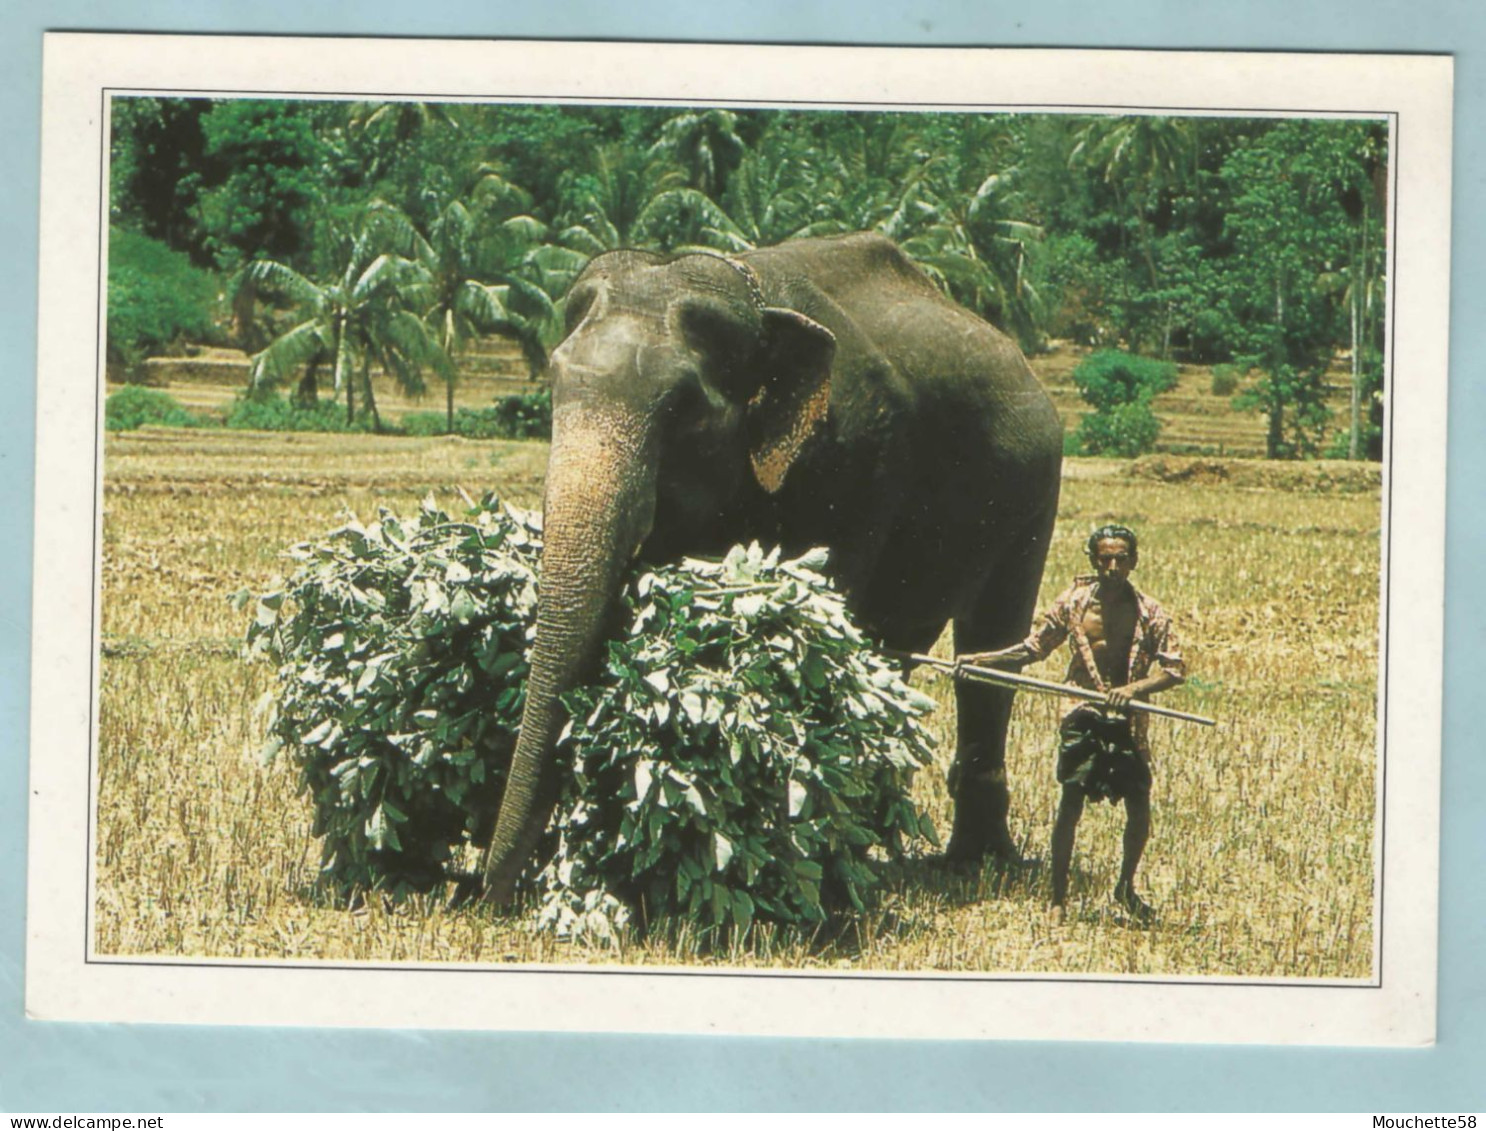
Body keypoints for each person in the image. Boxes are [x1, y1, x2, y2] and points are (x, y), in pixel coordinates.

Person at [957, 523, 1185, 921]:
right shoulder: (1074, 603)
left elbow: (1175, 669)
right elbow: (1035, 647)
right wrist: (980, 660)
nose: (1112, 566)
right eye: (1105, 558)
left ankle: (1125, 887)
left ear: (1133, 561)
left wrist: (1134, 689)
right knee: (1072, 798)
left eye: (1120, 558)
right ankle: (1058, 899)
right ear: (1093, 560)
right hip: (1083, 709)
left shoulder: (1150, 612)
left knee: (1138, 803)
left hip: (1130, 718)